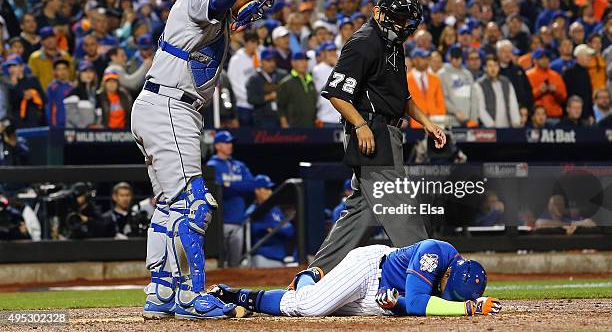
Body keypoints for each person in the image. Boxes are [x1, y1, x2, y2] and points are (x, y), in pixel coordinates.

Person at [132, 0, 272, 320]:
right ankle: (190, 296)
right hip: (169, 107)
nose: (253, 4)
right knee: (195, 205)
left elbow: (229, 10)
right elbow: (217, 0)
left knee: (168, 206)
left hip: (163, 106)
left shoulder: (221, 19)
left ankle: (161, 292)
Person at [310, 0, 446, 274]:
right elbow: (336, 93)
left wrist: (428, 123)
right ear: (378, 12)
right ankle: (428, 272)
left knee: (361, 211)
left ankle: (316, 275)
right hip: (372, 130)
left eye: (406, 20)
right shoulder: (363, 42)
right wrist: (360, 125)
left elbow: (402, 97)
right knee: (399, 205)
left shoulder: (393, 44)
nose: (400, 24)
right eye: (396, 17)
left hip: (387, 130)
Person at [209, 239, 500, 318]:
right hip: (370, 269)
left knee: (322, 307)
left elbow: (405, 305)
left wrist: (394, 305)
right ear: (449, 271)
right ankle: (234, 295)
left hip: (381, 298)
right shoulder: (434, 252)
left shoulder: (459, 276)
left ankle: (312, 283)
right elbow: (416, 302)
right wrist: (466, 309)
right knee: (309, 306)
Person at [206, 130, 256, 268]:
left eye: (230, 143)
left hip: (237, 219)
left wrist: (229, 185)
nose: (230, 145)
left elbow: (251, 185)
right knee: (220, 263)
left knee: (235, 264)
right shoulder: (212, 165)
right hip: (219, 220)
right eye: (226, 143)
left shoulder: (239, 165)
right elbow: (218, 190)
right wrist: (236, 187)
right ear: (217, 146)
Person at [246, 174, 295, 268]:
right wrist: (272, 229)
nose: (270, 192)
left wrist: (274, 229)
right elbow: (252, 230)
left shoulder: (275, 209)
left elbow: (290, 230)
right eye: (266, 189)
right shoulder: (252, 211)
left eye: (270, 189)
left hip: (280, 258)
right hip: (262, 258)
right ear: (257, 191)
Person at [472, 57, 521, 128]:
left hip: (507, 126)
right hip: (489, 128)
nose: (493, 69)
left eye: (495, 65)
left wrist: (516, 121)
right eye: (490, 66)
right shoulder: (479, 85)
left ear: (499, 67)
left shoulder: (506, 82)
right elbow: (480, 108)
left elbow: (513, 103)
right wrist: (491, 125)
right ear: (485, 68)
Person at [406, 49, 446, 129]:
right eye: (423, 58)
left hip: (435, 124)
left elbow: (440, 102)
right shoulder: (406, 79)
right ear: (415, 60)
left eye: (427, 58)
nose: (426, 60)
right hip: (415, 124)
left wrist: (440, 119)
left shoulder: (435, 78)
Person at [246, 48, 286, 128]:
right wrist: (268, 97)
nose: (272, 64)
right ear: (261, 62)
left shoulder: (281, 75)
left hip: (280, 117)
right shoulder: (255, 78)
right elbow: (251, 99)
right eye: (268, 61)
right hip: (262, 118)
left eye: (273, 61)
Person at [277, 51, 317, 128]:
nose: (304, 63)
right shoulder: (286, 83)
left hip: (311, 126)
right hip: (293, 126)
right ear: (293, 63)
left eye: (306, 60)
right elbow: (280, 107)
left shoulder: (311, 81)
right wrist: (284, 124)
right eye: (301, 60)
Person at [438, 46, 476, 127]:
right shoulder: (442, 74)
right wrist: (456, 112)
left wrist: (473, 117)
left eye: (458, 57)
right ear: (450, 58)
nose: (456, 60)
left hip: (468, 120)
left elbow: (473, 97)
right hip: (451, 119)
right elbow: (443, 97)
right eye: (454, 57)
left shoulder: (467, 74)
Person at [227, 31, 259, 126]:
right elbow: (233, 81)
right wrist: (246, 97)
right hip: (243, 104)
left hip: (258, 104)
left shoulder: (258, 57)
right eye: (251, 42)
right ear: (245, 42)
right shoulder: (236, 59)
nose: (253, 45)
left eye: (255, 42)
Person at [526, 48, 567, 120]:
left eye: (546, 58)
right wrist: (539, 91)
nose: (545, 60)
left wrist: (555, 91)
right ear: (535, 60)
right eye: (541, 58)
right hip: (536, 117)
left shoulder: (555, 75)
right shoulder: (529, 75)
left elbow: (563, 97)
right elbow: (526, 97)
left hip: (554, 115)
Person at [28, 26, 74, 91]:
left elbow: (71, 76)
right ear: (41, 41)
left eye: (51, 37)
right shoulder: (35, 58)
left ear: (56, 38)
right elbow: (33, 80)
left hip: (65, 94)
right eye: (46, 38)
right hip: (44, 97)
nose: (49, 40)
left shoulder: (65, 56)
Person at [496, 39, 533, 110]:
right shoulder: (495, 71)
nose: (507, 54)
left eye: (509, 51)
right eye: (504, 51)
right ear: (498, 53)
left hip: (520, 109)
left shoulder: (518, 69)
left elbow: (527, 89)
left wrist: (527, 107)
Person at [312, 42, 341, 127]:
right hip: (326, 118)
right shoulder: (318, 69)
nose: (332, 53)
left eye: (334, 50)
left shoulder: (342, 67)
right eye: (329, 51)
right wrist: (337, 65)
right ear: (322, 54)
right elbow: (333, 87)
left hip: (342, 117)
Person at [563, 44, 595, 121]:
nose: (589, 58)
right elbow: (566, 95)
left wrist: (590, 114)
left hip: (585, 116)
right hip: (572, 116)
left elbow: (588, 95)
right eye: (587, 56)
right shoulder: (569, 73)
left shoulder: (586, 73)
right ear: (579, 57)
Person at [64, 61, 99, 128]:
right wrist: (85, 128)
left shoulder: (95, 93)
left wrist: (96, 126)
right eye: (85, 71)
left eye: (91, 71)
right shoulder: (74, 92)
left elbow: (97, 113)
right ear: (79, 74)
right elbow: (71, 115)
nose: (88, 74)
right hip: (76, 133)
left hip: (91, 134)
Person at [45, 59, 73, 128]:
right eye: (59, 69)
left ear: (68, 70)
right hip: (57, 124)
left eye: (64, 69)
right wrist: (51, 124)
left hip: (71, 123)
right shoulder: (52, 88)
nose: (62, 72)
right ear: (55, 72)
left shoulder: (73, 87)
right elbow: (48, 107)